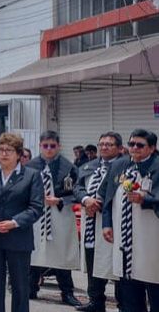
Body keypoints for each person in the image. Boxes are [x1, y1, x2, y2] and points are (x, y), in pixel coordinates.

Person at [0, 133, 43, 312]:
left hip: (18, 237)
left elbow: (36, 207)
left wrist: (14, 222)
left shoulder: (32, 175)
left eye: (9, 150)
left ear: (19, 154)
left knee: (20, 286)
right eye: (0, 150)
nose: (4, 153)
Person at [100, 128, 159, 312]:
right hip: (125, 240)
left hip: (151, 241)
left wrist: (146, 200)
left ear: (152, 148)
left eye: (140, 145)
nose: (134, 148)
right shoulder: (119, 165)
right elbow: (107, 197)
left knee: (154, 287)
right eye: (131, 144)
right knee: (130, 294)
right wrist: (107, 223)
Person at [26, 131, 82, 306]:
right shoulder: (31, 166)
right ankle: (31, 288)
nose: (49, 149)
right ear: (40, 146)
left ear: (58, 146)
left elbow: (78, 191)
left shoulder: (69, 167)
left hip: (61, 214)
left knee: (61, 253)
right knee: (35, 252)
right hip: (37, 214)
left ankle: (67, 292)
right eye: (45, 146)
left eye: (52, 145)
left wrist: (60, 200)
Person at [74, 132, 125, 312]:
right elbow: (77, 187)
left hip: (112, 224)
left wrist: (100, 203)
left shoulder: (124, 167)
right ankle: (95, 301)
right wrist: (86, 199)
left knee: (115, 266)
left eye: (109, 144)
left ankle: (123, 304)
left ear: (119, 148)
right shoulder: (90, 166)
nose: (104, 147)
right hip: (90, 222)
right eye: (101, 144)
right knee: (92, 261)